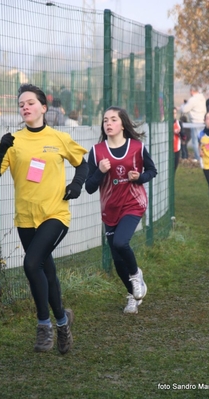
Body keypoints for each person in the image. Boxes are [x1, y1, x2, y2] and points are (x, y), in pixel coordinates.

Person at [0, 84, 89, 354]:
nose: (25, 107)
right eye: (21, 104)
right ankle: (63, 322)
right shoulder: (12, 140)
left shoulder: (58, 137)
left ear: (44, 107)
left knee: (32, 263)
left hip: (56, 214)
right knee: (47, 270)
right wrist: (0, 151)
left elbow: (82, 163)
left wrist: (76, 186)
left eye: (30, 103)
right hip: (25, 219)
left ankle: (45, 326)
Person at [85, 106, 157, 314]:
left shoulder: (137, 148)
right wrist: (99, 172)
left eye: (113, 119)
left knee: (120, 242)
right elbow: (89, 187)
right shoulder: (96, 151)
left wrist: (140, 177)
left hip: (134, 203)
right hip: (110, 209)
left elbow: (152, 170)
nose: (108, 123)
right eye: (105, 120)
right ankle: (133, 295)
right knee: (117, 260)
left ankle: (136, 275)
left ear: (123, 124)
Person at [183, 85, 207, 162]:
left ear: (192, 91)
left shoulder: (193, 99)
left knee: (195, 141)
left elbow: (184, 110)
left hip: (195, 122)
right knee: (202, 140)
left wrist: (183, 105)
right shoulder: (202, 98)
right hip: (202, 121)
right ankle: (204, 155)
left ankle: (198, 157)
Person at [173, 107, 182, 173]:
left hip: (176, 149)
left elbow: (184, 137)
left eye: (175, 113)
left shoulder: (179, 123)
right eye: (172, 113)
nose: (174, 115)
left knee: (174, 170)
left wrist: (181, 132)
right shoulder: (165, 123)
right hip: (167, 150)